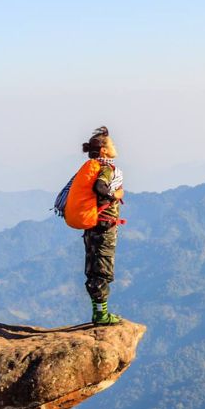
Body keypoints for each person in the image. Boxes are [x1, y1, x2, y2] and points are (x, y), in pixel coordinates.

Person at [81, 126, 125, 325]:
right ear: (104, 151)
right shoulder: (106, 169)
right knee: (102, 270)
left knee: (93, 269)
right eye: (112, 144)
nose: (116, 146)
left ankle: (99, 312)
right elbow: (100, 187)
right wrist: (114, 195)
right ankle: (101, 315)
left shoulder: (93, 167)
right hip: (104, 227)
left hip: (92, 225)